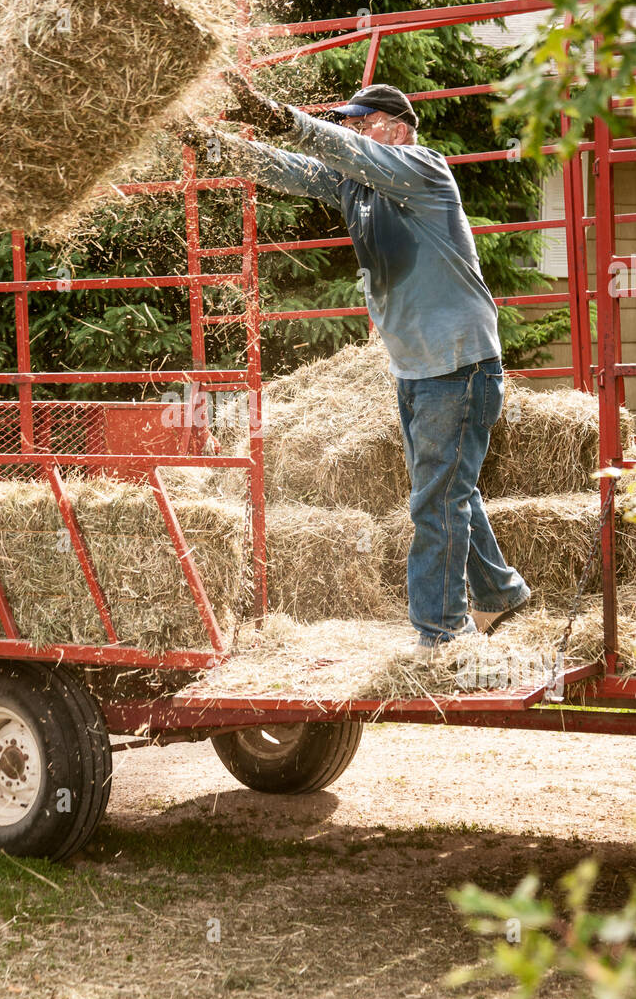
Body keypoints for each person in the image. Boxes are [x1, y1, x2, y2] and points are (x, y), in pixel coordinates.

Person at [177, 71, 531, 650]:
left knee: (436, 501)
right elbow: (284, 169)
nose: (352, 135)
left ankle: (443, 635)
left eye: (363, 125)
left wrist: (282, 118)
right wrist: (206, 140)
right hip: (416, 366)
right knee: (448, 492)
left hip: (459, 365)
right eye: (348, 126)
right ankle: (501, 594)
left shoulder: (423, 170)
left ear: (395, 130)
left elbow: (340, 150)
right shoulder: (355, 187)